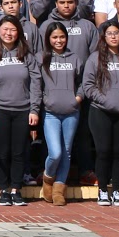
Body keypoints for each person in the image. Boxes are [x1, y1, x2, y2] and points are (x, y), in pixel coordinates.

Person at [0, 16, 39, 207]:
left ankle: (16, 189)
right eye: (5, 29)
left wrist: (34, 109)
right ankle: (3, 190)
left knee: (19, 152)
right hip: (0, 110)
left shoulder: (27, 55)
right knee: (2, 152)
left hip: (23, 110)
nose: (9, 33)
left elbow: (36, 84)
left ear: (19, 32)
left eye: (13, 30)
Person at [82, 21, 119, 207]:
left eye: (116, 33)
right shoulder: (95, 58)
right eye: (109, 33)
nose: (113, 36)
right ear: (104, 37)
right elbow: (88, 86)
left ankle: (117, 191)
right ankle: (102, 191)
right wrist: (105, 100)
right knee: (103, 151)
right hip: (101, 112)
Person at [37, 24, 82, 206]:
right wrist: (45, 100)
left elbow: (82, 82)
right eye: (55, 37)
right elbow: (36, 85)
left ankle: (58, 190)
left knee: (66, 152)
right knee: (55, 153)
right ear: (48, 38)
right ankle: (48, 178)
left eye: (62, 37)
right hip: (51, 113)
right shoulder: (41, 58)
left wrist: (77, 98)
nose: (59, 40)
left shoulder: (75, 58)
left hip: (71, 112)